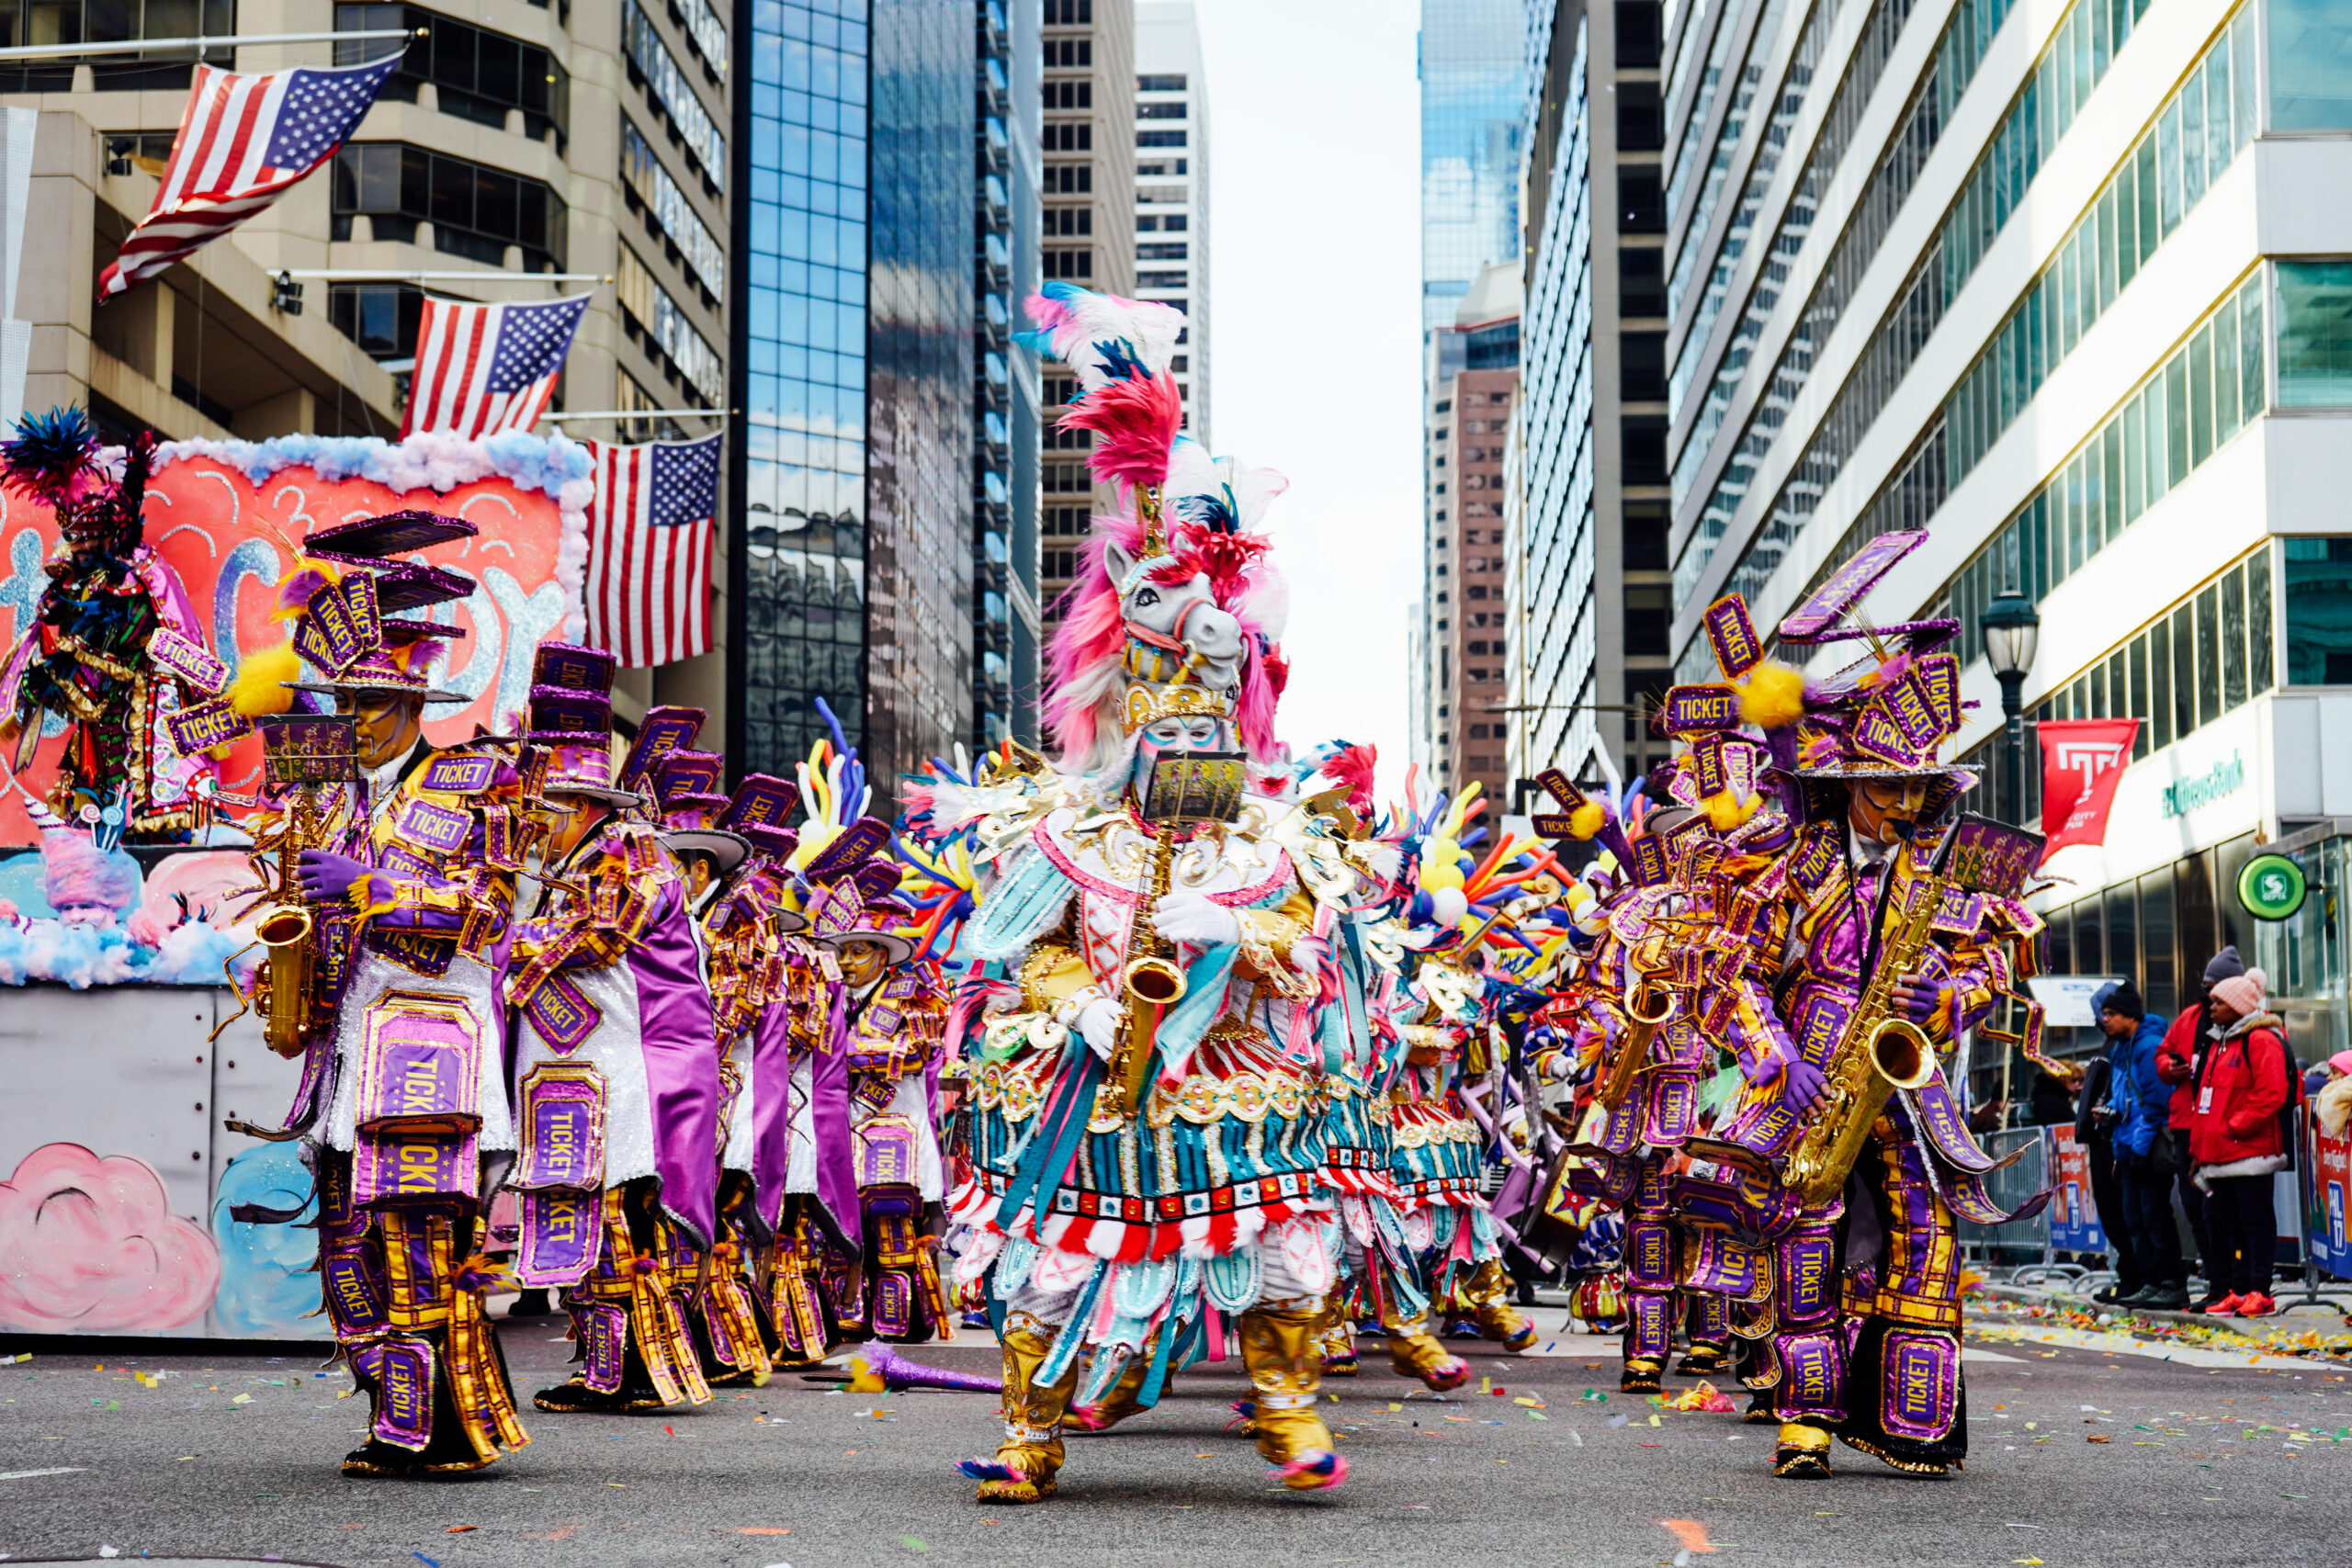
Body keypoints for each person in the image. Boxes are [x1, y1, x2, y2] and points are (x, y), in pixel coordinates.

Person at [249, 511, 533, 1477]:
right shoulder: (327, 792)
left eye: (368, 701)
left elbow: (490, 918)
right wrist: (281, 967)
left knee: (419, 1253)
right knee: (344, 1249)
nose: (351, 719)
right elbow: (303, 905)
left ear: (414, 699)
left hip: (428, 1050)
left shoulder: (479, 781)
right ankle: (395, 1410)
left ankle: (434, 1429)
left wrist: (371, 892)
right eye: (342, 700)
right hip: (344, 1057)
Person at [2190, 965, 2297, 1318]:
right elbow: (2205, 1100)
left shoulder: (2261, 1040)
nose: (2212, 1007)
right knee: (2232, 1226)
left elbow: (2271, 1095)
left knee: (2255, 1223)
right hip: (2222, 1152)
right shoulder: (2221, 1041)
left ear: (2238, 1005)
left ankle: (2260, 1291)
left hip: (2248, 1151)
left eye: (2219, 1001)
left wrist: (2233, 1128)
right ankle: (2239, 1289)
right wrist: (2201, 1145)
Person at [2089, 983, 2185, 1308]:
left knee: (2154, 1215)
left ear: (2130, 1016)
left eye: (2111, 1014)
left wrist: (2139, 1150)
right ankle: (2149, 1281)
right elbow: (2126, 1097)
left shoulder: (2147, 1047)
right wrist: (2110, 1114)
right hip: (2128, 1145)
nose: (2105, 1021)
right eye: (2104, 1014)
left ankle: (2169, 1282)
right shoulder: (2123, 1047)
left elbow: (2156, 1106)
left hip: (2145, 1147)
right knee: (2135, 1218)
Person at [2159, 947, 2240, 1306]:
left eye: (2214, 987)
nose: (2207, 994)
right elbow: (2162, 1053)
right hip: (2186, 1125)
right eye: (2205, 985)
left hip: (2221, 1129)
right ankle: (2217, 1282)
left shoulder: (2246, 1027)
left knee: (2221, 1212)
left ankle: (2233, 1284)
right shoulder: (2190, 1016)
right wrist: (2169, 1069)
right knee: (2195, 1208)